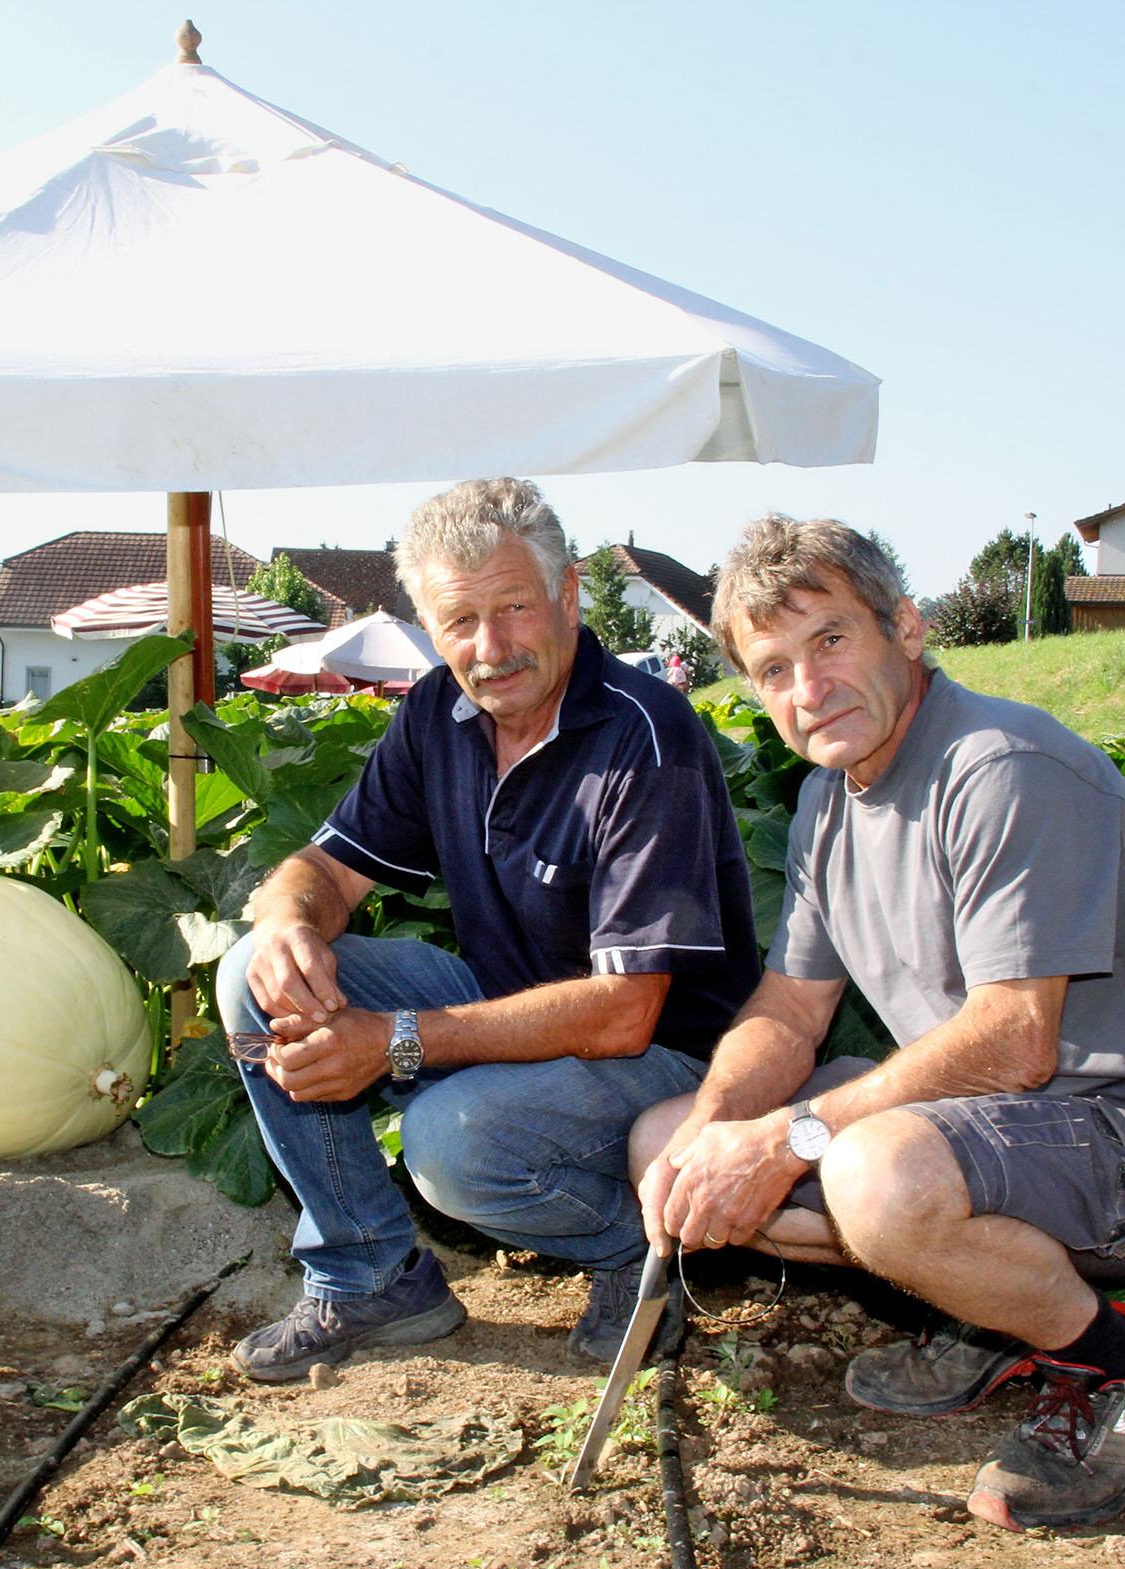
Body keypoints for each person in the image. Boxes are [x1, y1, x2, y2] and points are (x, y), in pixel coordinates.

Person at [631, 514, 1125, 1531]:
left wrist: (787, 1137)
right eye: (772, 669)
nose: (806, 688)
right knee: (669, 1140)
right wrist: (714, 1134)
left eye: (829, 641)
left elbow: (1015, 1039)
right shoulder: (831, 803)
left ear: (904, 629)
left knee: (875, 1178)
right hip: (995, 1126)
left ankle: (1119, 1367)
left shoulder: (1000, 766)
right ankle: (995, 1308)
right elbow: (788, 1009)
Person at [218, 477, 761, 1382]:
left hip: (667, 1053)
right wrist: (283, 922)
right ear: (429, 624)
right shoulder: (437, 713)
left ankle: (646, 1250)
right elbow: (327, 869)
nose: (490, 647)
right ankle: (370, 1275)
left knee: (453, 1141)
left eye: (513, 607)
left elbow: (627, 1012)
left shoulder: (645, 734)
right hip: (508, 1010)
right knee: (250, 975)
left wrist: (390, 1041)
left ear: (570, 594)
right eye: (459, 620)